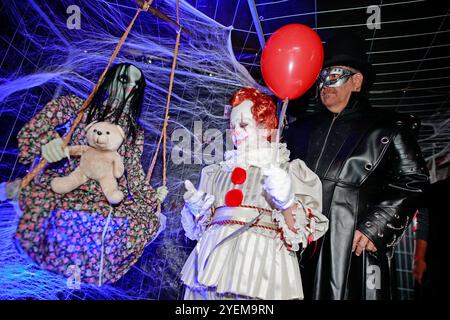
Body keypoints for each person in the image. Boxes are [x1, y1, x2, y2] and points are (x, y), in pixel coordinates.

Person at [285, 32, 429, 300]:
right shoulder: (298, 130)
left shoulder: (388, 127)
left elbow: (414, 182)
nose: (325, 83)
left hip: (352, 247)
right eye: (321, 75)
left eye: (335, 74)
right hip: (300, 243)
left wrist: (376, 225)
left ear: (357, 81)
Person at [0, 63, 168, 285]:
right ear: (109, 80)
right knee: (43, 200)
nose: (129, 89)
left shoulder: (134, 132)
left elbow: (132, 171)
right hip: (71, 180)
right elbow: (38, 126)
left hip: (104, 193)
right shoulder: (80, 108)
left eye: (136, 85)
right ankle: (15, 192)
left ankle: (80, 270)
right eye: (123, 80)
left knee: (139, 221)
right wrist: (49, 142)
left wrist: (151, 198)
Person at [179, 87, 329, 300]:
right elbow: (200, 228)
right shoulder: (216, 173)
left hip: (260, 266)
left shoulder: (287, 171)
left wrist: (286, 202)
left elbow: (301, 232)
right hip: (210, 263)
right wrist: (198, 211)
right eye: (231, 126)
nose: (235, 132)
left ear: (266, 127)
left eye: (243, 124)